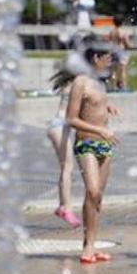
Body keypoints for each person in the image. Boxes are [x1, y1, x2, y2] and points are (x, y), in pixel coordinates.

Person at [50, 37, 119, 263]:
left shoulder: (100, 82)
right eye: (106, 58)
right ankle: (88, 246)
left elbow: (94, 105)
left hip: (104, 146)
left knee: (98, 197)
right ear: (95, 58)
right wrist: (101, 131)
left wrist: (107, 106)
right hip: (87, 143)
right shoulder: (80, 82)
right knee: (92, 191)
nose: (110, 63)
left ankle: (92, 244)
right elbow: (71, 119)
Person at [46, 85, 82, 227]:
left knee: (66, 167)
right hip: (59, 127)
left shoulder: (71, 83)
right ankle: (65, 208)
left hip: (59, 126)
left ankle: (64, 206)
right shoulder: (76, 84)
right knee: (67, 167)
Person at [104, 19, 133, 90]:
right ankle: (124, 87)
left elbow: (107, 40)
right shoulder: (123, 32)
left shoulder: (111, 32)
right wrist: (131, 46)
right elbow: (127, 44)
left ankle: (113, 86)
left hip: (113, 51)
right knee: (122, 70)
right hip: (121, 51)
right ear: (122, 23)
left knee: (113, 70)